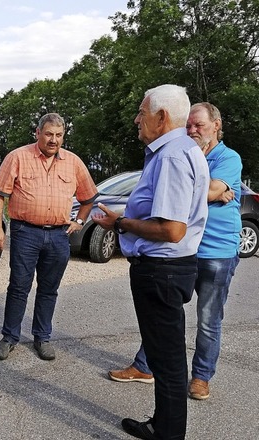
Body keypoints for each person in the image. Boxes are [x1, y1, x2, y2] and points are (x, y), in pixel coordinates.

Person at [93, 85, 210, 440]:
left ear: (162, 117)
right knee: (164, 358)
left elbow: (172, 229)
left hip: (161, 269)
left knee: (168, 362)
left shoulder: (173, 156)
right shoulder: (179, 150)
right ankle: (163, 424)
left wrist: (121, 223)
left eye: (142, 113)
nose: (136, 119)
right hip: (168, 269)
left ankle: (168, 433)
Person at [108, 102, 242, 402]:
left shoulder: (228, 158)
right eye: (189, 125)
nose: (192, 130)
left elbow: (195, 193)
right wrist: (215, 191)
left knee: (208, 319)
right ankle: (144, 366)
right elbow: (201, 193)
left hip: (215, 251)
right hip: (181, 251)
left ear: (216, 126)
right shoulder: (187, 153)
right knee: (164, 315)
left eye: (199, 125)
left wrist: (210, 190)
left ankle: (201, 377)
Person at [0, 113, 98, 361]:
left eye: (58, 135)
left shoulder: (73, 162)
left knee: (49, 289)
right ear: (38, 133)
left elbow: (89, 197)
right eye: (49, 134)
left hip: (59, 235)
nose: (53, 140)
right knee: (19, 287)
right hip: (25, 232)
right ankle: (9, 337)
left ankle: (42, 338)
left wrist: (79, 221)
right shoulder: (18, 157)